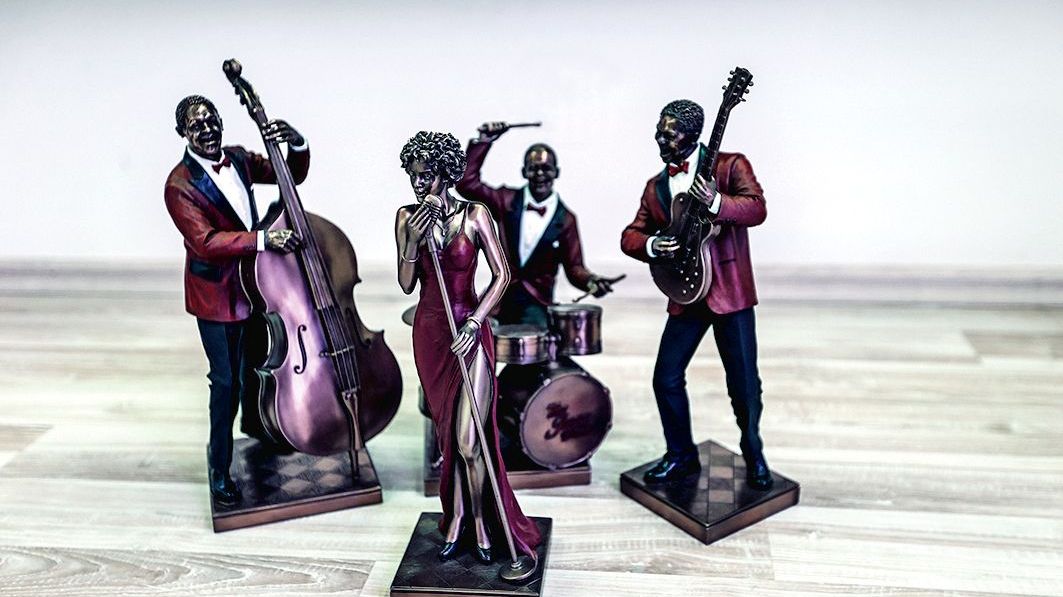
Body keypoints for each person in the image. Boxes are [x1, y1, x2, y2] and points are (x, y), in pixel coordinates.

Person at [396, 131, 541, 563]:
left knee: (469, 439)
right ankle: (456, 516)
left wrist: (476, 321)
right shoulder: (406, 217)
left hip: (470, 331)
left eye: (425, 175)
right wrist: (413, 243)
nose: (417, 183)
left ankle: (480, 519)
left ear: (445, 174)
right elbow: (406, 285)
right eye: (412, 175)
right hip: (431, 335)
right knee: (447, 438)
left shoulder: (475, 215)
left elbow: (502, 275)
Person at [620, 99, 773, 490]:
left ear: (692, 135)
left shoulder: (730, 165)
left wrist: (716, 202)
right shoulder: (656, 187)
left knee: (743, 383)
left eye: (669, 134)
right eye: (659, 131)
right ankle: (681, 454)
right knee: (665, 377)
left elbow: (757, 209)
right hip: (686, 293)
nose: (660, 139)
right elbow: (630, 235)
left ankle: (753, 450)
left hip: (729, 294)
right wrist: (653, 245)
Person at [164, 94, 308, 505]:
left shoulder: (240, 159)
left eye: (212, 120)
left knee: (258, 368)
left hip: (258, 286)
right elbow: (206, 242)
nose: (207, 129)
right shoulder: (179, 186)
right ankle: (219, 468)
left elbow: (288, 177)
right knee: (225, 384)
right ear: (182, 133)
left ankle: (260, 430)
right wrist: (263, 239)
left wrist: (296, 143)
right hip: (217, 297)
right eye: (197, 125)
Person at [456, 122, 614, 327]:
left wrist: (592, 281)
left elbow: (574, 268)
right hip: (499, 300)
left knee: (534, 343)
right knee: (477, 336)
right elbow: (466, 183)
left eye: (546, 169)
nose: (540, 174)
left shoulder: (566, 220)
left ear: (556, 172)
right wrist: (484, 141)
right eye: (534, 169)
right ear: (524, 172)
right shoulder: (505, 201)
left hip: (537, 305)